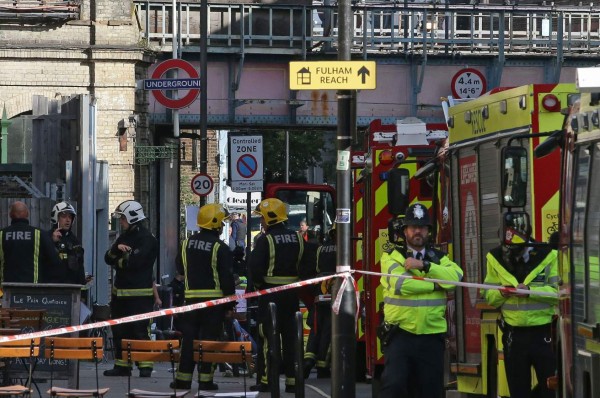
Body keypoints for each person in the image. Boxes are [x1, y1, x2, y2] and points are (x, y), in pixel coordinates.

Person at [379, 203, 463, 398]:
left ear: (428, 231)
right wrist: (435, 284)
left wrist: (425, 266)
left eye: (422, 227)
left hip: (431, 336)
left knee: (431, 392)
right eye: (413, 227)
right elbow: (402, 285)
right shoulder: (392, 257)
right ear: (405, 231)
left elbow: (456, 277)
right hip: (400, 334)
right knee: (394, 386)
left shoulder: (439, 258)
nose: (418, 231)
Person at [481, 218, 558, 398]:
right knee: (518, 391)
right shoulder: (495, 258)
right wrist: (502, 293)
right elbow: (489, 296)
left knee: (550, 391)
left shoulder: (548, 256)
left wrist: (530, 291)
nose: (511, 255)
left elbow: (558, 293)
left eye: (516, 250)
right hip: (513, 336)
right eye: (508, 250)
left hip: (543, 334)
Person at [171, 203, 235, 391]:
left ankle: (183, 380)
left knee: (189, 341)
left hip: (190, 303)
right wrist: (230, 305)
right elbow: (227, 279)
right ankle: (206, 380)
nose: (223, 226)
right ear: (214, 224)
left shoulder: (186, 244)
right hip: (214, 304)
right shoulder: (220, 248)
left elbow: (181, 269)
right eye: (221, 223)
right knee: (208, 342)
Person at [248, 198, 307, 394]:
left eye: (263, 219)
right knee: (292, 339)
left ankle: (267, 381)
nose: (262, 223)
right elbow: (306, 267)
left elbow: (255, 268)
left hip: (270, 296)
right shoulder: (298, 238)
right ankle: (292, 382)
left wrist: (259, 287)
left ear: (271, 218)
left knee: (268, 339)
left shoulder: (266, 240)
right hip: (291, 296)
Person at [104, 200, 157, 378]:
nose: (121, 222)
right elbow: (107, 258)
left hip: (139, 297)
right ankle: (122, 366)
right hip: (120, 296)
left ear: (133, 218)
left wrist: (119, 260)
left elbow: (133, 263)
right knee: (120, 331)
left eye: (123, 219)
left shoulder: (147, 239)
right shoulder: (124, 237)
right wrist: (116, 248)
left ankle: (145, 366)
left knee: (140, 331)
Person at [0, 201, 63, 285]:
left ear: (10, 215)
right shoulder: (39, 234)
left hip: (5, 291)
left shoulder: (1, 234)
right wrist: (53, 243)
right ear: (27, 214)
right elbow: (55, 261)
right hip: (32, 292)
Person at [302, 225, 336, 379]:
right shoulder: (345, 247)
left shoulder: (321, 249)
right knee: (329, 330)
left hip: (319, 291)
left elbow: (315, 269)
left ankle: (308, 359)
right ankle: (323, 366)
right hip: (336, 290)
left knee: (316, 327)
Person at [49, 202, 90, 286]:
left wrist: (82, 293)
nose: (68, 220)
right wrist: (52, 242)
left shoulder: (74, 241)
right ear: (56, 218)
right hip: (51, 289)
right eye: (64, 216)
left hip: (71, 289)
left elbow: (80, 268)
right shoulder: (46, 237)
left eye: (70, 217)